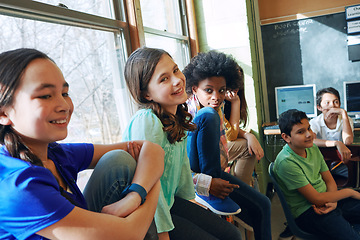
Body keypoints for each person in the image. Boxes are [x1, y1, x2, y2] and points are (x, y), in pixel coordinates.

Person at [0, 48, 165, 240]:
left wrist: (135, 194)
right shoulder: (17, 186)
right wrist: (152, 182)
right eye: (45, 95)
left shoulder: (54, 153)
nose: (64, 106)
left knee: (119, 160)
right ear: (4, 113)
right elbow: (130, 233)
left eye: (64, 93)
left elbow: (150, 149)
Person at [122, 47, 242, 240]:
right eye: (164, 79)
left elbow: (182, 174)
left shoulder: (177, 116)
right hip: (148, 215)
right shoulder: (148, 121)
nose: (178, 80)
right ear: (146, 94)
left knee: (232, 235)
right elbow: (151, 184)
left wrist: (192, 208)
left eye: (176, 70)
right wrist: (163, 233)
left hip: (170, 203)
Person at [183, 50, 272, 240]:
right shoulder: (186, 111)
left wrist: (247, 134)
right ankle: (214, 193)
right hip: (195, 173)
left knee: (263, 204)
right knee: (208, 114)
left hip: (217, 166)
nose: (216, 96)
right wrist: (206, 182)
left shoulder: (219, 107)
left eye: (221, 90)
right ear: (194, 89)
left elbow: (228, 135)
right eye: (209, 90)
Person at [274, 109, 360, 240]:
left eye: (308, 128)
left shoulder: (312, 147)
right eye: (301, 132)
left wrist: (334, 202)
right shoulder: (286, 162)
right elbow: (316, 199)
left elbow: (329, 180)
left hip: (327, 199)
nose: (309, 134)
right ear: (286, 137)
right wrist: (350, 192)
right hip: (309, 211)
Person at [223, 60, 264, 185]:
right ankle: (242, 194)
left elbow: (230, 131)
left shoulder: (229, 100)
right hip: (207, 152)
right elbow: (230, 135)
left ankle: (242, 191)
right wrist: (236, 102)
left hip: (219, 146)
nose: (236, 86)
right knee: (247, 148)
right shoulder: (216, 100)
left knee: (249, 143)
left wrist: (248, 135)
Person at [310, 87, 354, 178]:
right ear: (319, 107)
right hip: (320, 165)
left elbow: (348, 141)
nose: (332, 106)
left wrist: (344, 113)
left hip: (342, 164)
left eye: (336, 102)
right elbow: (311, 140)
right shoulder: (314, 122)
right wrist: (336, 143)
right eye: (327, 103)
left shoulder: (346, 120)